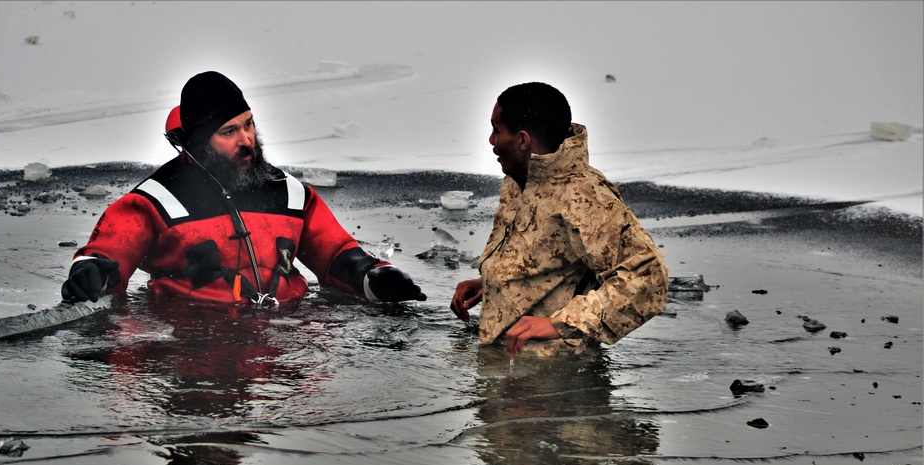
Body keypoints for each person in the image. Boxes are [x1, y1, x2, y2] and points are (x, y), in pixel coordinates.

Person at [62, 71, 426, 307]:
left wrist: (374, 276)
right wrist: (91, 272)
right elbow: (110, 252)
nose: (247, 140)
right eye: (229, 131)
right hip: (190, 344)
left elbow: (336, 255)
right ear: (200, 143)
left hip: (284, 351)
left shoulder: (291, 195)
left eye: (249, 124)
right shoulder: (154, 202)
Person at [450, 82, 667, 357]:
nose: (491, 141)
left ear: (523, 140)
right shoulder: (520, 179)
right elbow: (553, 266)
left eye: (496, 130)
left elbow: (649, 278)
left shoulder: (584, 196)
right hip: (507, 363)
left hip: (554, 377)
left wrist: (560, 324)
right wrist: (496, 282)